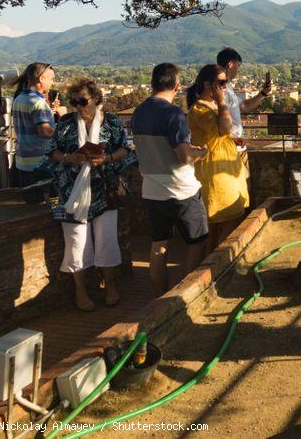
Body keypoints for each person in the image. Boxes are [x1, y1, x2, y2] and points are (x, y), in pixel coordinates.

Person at [47, 78, 134, 311]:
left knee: (106, 240)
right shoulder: (65, 123)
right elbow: (51, 151)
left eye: (82, 101)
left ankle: (111, 286)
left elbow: (124, 149)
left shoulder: (112, 122)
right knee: (76, 243)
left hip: (104, 189)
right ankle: (80, 292)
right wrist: (69, 158)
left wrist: (106, 158)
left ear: (95, 98)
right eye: (74, 102)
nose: (78, 106)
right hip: (72, 192)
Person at [132, 63, 209, 296]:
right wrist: (200, 153)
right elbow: (184, 156)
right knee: (197, 242)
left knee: (159, 246)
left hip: (152, 191)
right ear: (177, 86)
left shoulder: (138, 112)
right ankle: (187, 295)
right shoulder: (172, 113)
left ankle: (158, 299)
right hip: (181, 190)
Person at [187, 64, 250, 252]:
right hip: (215, 172)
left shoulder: (211, 107)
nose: (225, 86)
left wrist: (232, 140)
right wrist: (222, 102)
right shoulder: (199, 109)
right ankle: (215, 266)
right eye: (221, 82)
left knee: (224, 223)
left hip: (226, 168)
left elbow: (221, 134)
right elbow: (224, 128)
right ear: (208, 84)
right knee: (220, 224)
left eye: (226, 82)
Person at [12, 62, 65, 187]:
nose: (52, 83)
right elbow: (44, 131)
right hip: (40, 162)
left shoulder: (19, 98)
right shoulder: (38, 102)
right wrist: (63, 120)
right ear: (41, 79)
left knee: (32, 203)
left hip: (23, 161)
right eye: (51, 79)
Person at [216, 48, 274, 148]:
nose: (238, 70)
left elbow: (244, 106)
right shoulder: (219, 89)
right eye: (238, 66)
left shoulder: (227, 87)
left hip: (236, 145)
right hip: (230, 146)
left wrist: (263, 93)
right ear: (230, 64)